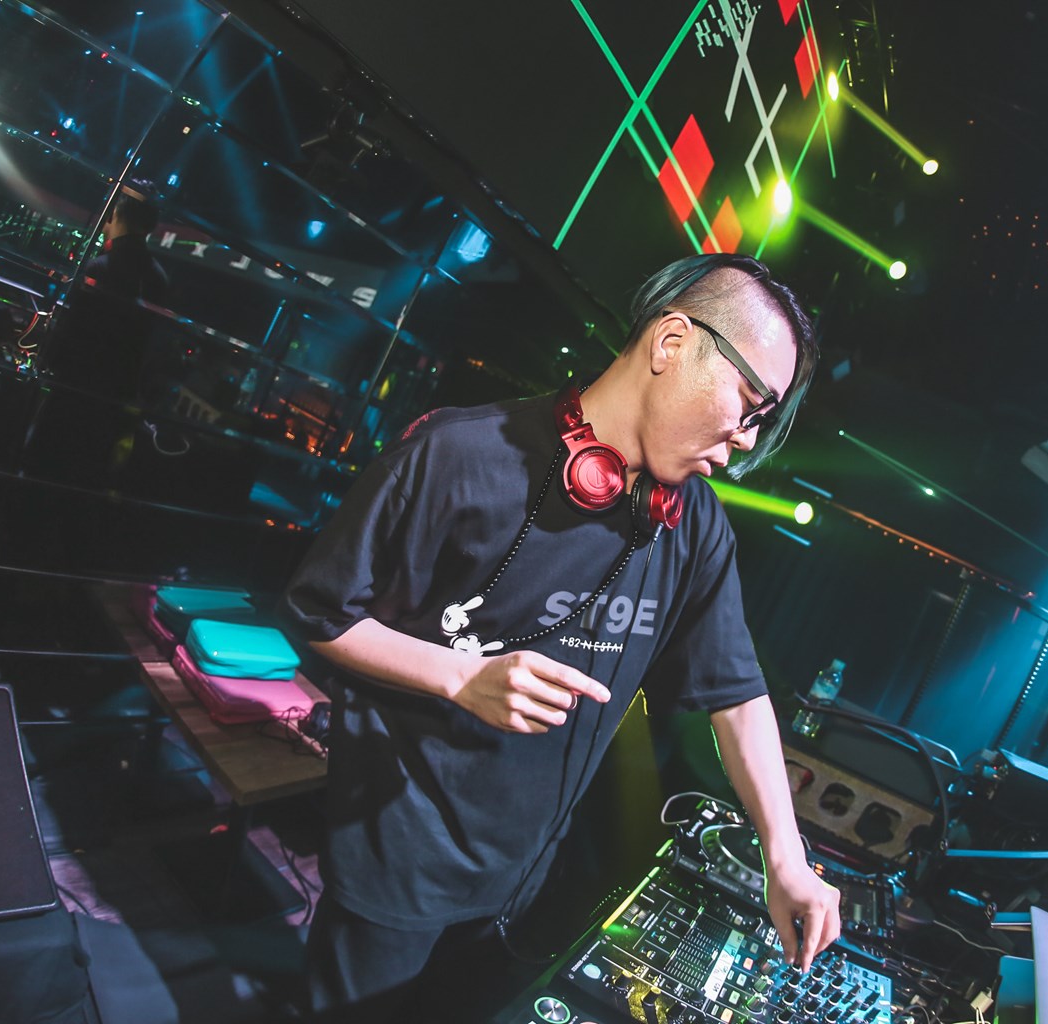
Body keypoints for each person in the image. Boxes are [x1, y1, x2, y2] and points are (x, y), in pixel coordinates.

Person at [281, 252, 841, 1021]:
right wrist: (460, 677)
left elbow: (737, 697)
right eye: (750, 403)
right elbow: (320, 613)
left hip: (522, 884)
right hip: (396, 862)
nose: (747, 440)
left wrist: (786, 856)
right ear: (671, 343)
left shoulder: (694, 526)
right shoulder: (459, 455)